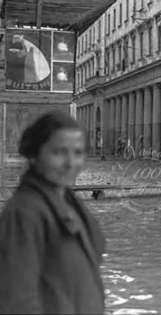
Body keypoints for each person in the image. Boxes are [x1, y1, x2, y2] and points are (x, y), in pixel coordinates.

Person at [0, 112, 106, 314]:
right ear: (34, 155)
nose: (70, 163)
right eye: (59, 152)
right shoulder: (24, 213)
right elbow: (17, 301)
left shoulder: (68, 201)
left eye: (78, 152)